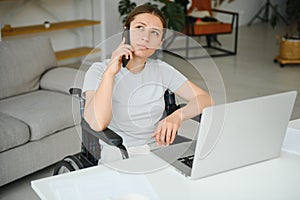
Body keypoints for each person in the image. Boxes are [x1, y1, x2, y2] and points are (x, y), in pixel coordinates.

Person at [82, 4, 213, 163]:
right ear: (126, 31)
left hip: (160, 150)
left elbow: (205, 99)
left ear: (159, 42)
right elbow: (98, 123)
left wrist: (177, 116)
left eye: (154, 33)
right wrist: (110, 73)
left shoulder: (162, 70)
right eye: (139, 28)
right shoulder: (98, 71)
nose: (146, 37)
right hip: (120, 153)